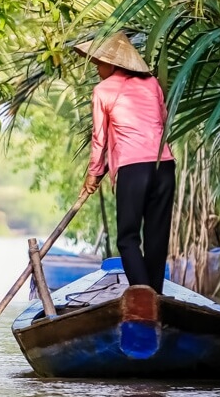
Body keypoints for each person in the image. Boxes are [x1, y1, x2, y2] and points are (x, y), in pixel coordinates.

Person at [75, 31, 175, 294]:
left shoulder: (102, 91)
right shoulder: (151, 83)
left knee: (128, 238)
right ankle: (155, 296)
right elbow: (162, 123)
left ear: (114, 63)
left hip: (134, 169)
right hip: (164, 165)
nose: (96, 67)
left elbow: (99, 139)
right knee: (156, 238)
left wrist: (93, 174)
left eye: (99, 62)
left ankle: (143, 297)